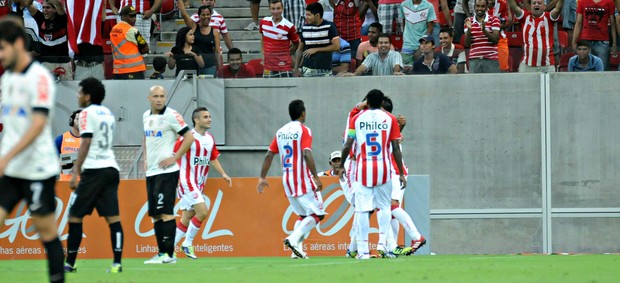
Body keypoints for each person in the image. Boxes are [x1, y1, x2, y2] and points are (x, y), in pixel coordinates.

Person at [0, 17, 64, 283]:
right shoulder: (7, 78)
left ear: (17, 44)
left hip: (37, 169)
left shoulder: (39, 78)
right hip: (12, 169)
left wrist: (7, 156)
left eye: (3, 48)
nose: (0, 55)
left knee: (45, 231)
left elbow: (38, 124)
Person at [64, 78, 123, 273]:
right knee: (113, 218)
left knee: (74, 216)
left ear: (87, 96)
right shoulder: (108, 113)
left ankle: (70, 264)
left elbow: (86, 142)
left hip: (94, 170)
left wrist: (76, 171)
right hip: (111, 168)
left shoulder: (85, 114)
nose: (77, 95)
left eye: (79, 92)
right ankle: (117, 264)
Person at [339, 89, 406, 260]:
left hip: (363, 168)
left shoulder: (357, 119)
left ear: (367, 102)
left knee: (362, 209)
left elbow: (347, 144)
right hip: (384, 167)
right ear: (382, 102)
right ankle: (383, 245)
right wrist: (400, 172)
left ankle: (362, 251)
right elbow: (396, 147)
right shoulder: (390, 119)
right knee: (384, 207)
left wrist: (341, 165)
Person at [257, 99, 324, 259]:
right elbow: (307, 153)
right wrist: (315, 176)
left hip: (287, 179)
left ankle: (297, 250)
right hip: (302, 178)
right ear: (303, 113)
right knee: (318, 214)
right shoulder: (304, 130)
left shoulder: (280, 131)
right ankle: (293, 239)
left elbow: (269, 154)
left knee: (302, 215)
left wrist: (262, 177)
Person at [143, 85, 195, 264]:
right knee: (155, 215)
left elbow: (189, 136)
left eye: (162, 96)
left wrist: (175, 157)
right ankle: (161, 254)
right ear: (149, 98)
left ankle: (169, 255)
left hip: (167, 172)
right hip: (151, 172)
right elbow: (146, 137)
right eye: (156, 96)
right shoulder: (146, 116)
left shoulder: (171, 115)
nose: (159, 99)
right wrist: (145, 159)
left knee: (166, 212)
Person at [173, 107, 232, 259]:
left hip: (199, 183)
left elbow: (212, 158)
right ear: (196, 120)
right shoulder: (187, 137)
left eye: (210, 116)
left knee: (186, 217)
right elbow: (174, 155)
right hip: (187, 181)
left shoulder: (210, 138)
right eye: (205, 117)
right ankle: (188, 243)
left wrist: (223, 173)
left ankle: (167, 250)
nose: (209, 119)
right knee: (203, 212)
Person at [380, 97, 426, 257]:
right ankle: (391, 249)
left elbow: (394, 147)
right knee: (388, 211)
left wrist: (400, 173)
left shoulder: (388, 124)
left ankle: (416, 236)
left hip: (395, 172)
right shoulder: (388, 126)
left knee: (392, 207)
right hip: (389, 172)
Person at [507, 0, 563, 73]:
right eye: (534, 3)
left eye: (539, 3)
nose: (536, 5)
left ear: (544, 6)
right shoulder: (525, 16)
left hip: (547, 66)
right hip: (527, 66)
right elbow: (514, 7)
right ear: (530, 6)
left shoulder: (549, 17)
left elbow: (558, 9)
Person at [26, 0, 72, 80]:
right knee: (48, 90)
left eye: (48, 7)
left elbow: (59, 5)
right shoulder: (40, 18)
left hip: (63, 62)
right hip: (46, 63)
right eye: (43, 8)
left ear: (55, 9)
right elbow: (28, 4)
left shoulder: (61, 19)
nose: (44, 10)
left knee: (67, 90)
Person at [295, 2, 340, 77]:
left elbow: (337, 47)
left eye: (309, 15)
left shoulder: (330, 26)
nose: (306, 17)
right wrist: (296, 68)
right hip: (307, 70)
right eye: (306, 15)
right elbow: (300, 50)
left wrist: (316, 49)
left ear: (317, 15)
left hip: (325, 70)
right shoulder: (305, 28)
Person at [178, 2, 222, 76]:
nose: (206, 17)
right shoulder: (194, 27)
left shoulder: (214, 32)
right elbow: (184, 14)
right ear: (199, 16)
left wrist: (220, 68)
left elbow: (217, 51)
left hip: (209, 66)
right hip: (193, 66)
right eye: (203, 15)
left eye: (208, 14)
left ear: (211, 15)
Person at [260, 0, 300, 78]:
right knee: (267, 90)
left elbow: (296, 43)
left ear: (282, 9)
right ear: (269, 9)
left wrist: (288, 54)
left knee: (286, 90)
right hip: (268, 67)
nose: (276, 11)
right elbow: (262, 39)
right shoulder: (263, 22)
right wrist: (263, 55)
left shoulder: (289, 26)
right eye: (273, 9)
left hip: (284, 67)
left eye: (278, 8)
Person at [571, 0, 616, 70]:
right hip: (585, 41)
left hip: (602, 41)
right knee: (585, 70)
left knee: (602, 71)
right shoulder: (583, 2)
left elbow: (613, 24)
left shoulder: (609, 2)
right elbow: (578, 23)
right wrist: (573, 41)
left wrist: (614, 43)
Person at [67, 0, 105, 80]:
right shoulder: (75, 30)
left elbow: (102, 12)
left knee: (99, 92)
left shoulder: (96, 26)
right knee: (80, 92)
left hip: (96, 66)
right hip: (81, 67)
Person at [110, 6, 149, 79]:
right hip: (134, 69)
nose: (134, 19)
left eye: (135, 16)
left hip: (118, 70)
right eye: (131, 16)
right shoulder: (132, 30)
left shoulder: (113, 29)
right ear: (123, 16)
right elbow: (146, 49)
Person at [464, 0, 501, 73]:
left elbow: (495, 40)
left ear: (487, 7)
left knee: (493, 84)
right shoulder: (468, 21)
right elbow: (467, 44)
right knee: (474, 84)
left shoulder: (494, 19)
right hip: (475, 60)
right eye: (477, 6)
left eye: (482, 6)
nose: (479, 9)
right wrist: (469, 30)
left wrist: (484, 30)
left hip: (491, 60)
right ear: (474, 7)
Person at [398, 0, 436, 68]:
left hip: (422, 46)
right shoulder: (403, 5)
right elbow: (404, 23)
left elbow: (430, 28)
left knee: (422, 72)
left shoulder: (429, 6)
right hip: (407, 46)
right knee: (406, 71)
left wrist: (422, 45)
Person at [55, 110, 81, 181]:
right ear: (72, 121)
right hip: (65, 183)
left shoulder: (89, 141)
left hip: (82, 185)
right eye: (78, 118)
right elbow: (53, 158)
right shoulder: (61, 139)